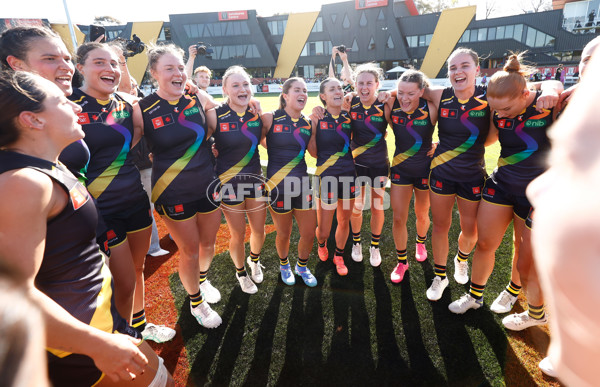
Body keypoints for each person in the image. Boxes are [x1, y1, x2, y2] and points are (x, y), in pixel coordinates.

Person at [0, 70, 173, 386]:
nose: (77, 107)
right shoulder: (24, 184)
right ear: (32, 120)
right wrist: (96, 344)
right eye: (62, 102)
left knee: (163, 380)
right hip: (79, 349)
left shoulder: (47, 165)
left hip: (101, 324)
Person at [421, 47, 561, 302]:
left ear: (477, 70)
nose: (458, 72)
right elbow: (412, 90)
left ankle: (461, 259)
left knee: (472, 232)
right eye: (452, 68)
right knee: (440, 225)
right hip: (441, 171)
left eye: (464, 66)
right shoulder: (441, 94)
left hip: (473, 175)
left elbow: (544, 83)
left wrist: (552, 89)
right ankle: (439, 276)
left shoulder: (491, 94)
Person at [73, 42, 175, 343]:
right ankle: (121, 337)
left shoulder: (127, 104)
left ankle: (140, 325)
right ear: (81, 68)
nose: (110, 69)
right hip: (99, 209)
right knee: (122, 279)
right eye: (99, 63)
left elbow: (135, 141)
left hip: (134, 199)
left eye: (115, 63)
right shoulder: (69, 103)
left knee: (138, 266)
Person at [527, 40, 600, 387]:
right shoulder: (574, 96)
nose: (588, 66)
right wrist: (551, 83)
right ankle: (552, 333)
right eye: (586, 58)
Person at [135, 43, 223, 328]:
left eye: (180, 67)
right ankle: (197, 302)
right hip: (172, 190)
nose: (177, 73)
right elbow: (128, 143)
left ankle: (202, 279)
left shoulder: (195, 99)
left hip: (207, 184)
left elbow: (211, 128)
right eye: (169, 68)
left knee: (209, 244)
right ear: (154, 73)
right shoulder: (143, 109)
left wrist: (201, 92)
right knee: (191, 249)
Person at [206, 65, 266, 293]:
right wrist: (211, 149)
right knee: (238, 233)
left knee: (259, 231)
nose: (242, 89)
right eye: (235, 85)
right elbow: (199, 140)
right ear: (225, 89)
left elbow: (263, 139)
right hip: (229, 184)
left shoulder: (256, 113)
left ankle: (255, 261)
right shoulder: (215, 113)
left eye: (245, 85)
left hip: (255, 180)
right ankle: (241, 272)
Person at [262, 77, 318, 287]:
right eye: (297, 90)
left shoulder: (308, 123)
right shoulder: (270, 118)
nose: (302, 93)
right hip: (278, 187)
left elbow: (314, 152)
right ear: (285, 95)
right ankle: (284, 265)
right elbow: (253, 138)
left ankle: (301, 267)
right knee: (283, 233)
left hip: (303, 185)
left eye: (305, 90)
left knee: (308, 232)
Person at [385, 69, 438, 283]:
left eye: (411, 94)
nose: (404, 99)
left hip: (425, 170)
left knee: (422, 214)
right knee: (398, 217)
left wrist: (440, 144)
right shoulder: (392, 105)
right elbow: (378, 97)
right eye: (401, 93)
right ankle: (401, 262)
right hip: (400, 169)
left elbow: (456, 131)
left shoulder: (431, 107)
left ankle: (420, 241)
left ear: (422, 92)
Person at [307, 77, 357, 276]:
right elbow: (313, 153)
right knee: (325, 229)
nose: (338, 91)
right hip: (326, 177)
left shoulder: (349, 117)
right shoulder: (316, 119)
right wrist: (313, 129)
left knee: (344, 221)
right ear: (323, 96)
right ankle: (321, 244)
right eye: (332, 89)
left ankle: (339, 255)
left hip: (349, 176)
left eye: (339, 88)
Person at [345, 63, 389, 267]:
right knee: (357, 206)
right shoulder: (350, 102)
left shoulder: (386, 103)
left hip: (379, 163)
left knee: (377, 206)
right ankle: (356, 243)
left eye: (369, 83)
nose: (364, 87)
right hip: (355, 163)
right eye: (360, 83)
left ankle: (374, 246)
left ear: (377, 84)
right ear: (355, 84)